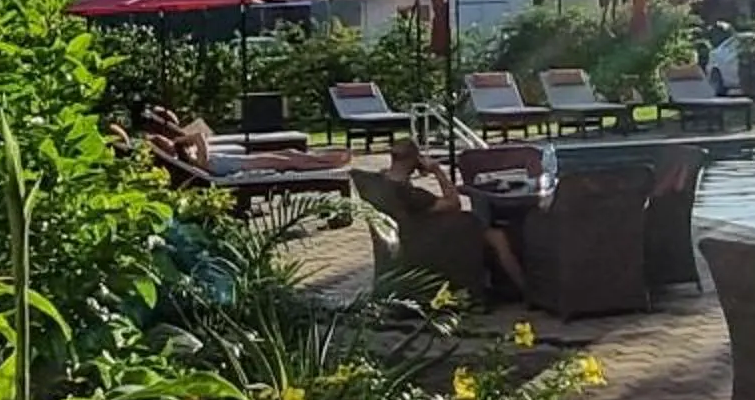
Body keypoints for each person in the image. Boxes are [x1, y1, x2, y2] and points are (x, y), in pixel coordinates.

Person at [384, 137, 526, 295]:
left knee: (487, 230)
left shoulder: (381, 183)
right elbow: (454, 203)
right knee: (497, 237)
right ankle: (525, 289)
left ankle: (499, 280)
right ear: (416, 160)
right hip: (435, 239)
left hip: (414, 235)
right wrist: (438, 172)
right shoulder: (413, 195)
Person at [128, 106, 347, 176]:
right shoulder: (191, 162)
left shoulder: (183, 154)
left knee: (288, 152)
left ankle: (325, 159)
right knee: (283, 161)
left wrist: (192, 139)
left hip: (226, 160)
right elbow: (201, 147)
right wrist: (194, 139)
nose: (167, 140)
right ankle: (328, 165)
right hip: (228, 165)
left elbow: (197, 138)